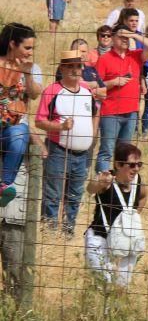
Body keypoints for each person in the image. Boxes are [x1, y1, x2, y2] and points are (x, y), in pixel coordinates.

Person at [35, 50, 97, 236]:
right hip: (58, 151)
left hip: (82, 155)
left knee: (75, 195)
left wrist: (91, 135)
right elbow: (39, 121)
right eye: (70, 65)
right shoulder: (52, 91)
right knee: (53, 194)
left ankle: (68, 232)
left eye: (78, 65)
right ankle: (49, 232)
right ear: (62, 68)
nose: (75, 69)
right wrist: (60, 127)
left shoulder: (87, 92)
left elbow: (96, 113)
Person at [94, 27, 148, 173]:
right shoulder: (104, 59)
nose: (125, 39)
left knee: (124, 154)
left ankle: (120, 183)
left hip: (131, 113)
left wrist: (134, 35)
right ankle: (103, 186)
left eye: (127, 37)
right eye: (121, 36)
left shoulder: (135, 55)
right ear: (112, 38)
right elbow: (95, 89)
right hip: (110, 113)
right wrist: (113, 82)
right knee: (107, 151)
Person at [85, 142, 148, 287]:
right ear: (118, 165)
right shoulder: (107, 180)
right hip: (100, 240)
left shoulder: (138, 182)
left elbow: (144, 196)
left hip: (126, 241)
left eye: (139, 164)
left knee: (121, 290)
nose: (136, 169)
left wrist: (133, 215)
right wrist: (99, 182)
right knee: (103, 287)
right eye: (131, 165)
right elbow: (90, 189)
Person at [0, 23, 41, 206]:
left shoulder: (33, 68)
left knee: (18, 137)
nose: (30, 52)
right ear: (12, 44)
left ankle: (4, 186)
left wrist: (28, 74)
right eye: (27, 47)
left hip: (15, 125)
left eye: (32, 48)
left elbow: (33, 94)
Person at [0, 162, 28, 302]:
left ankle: (12, 316)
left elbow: (43, 152)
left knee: (14, 272)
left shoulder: (25, 142)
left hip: (14, 216)